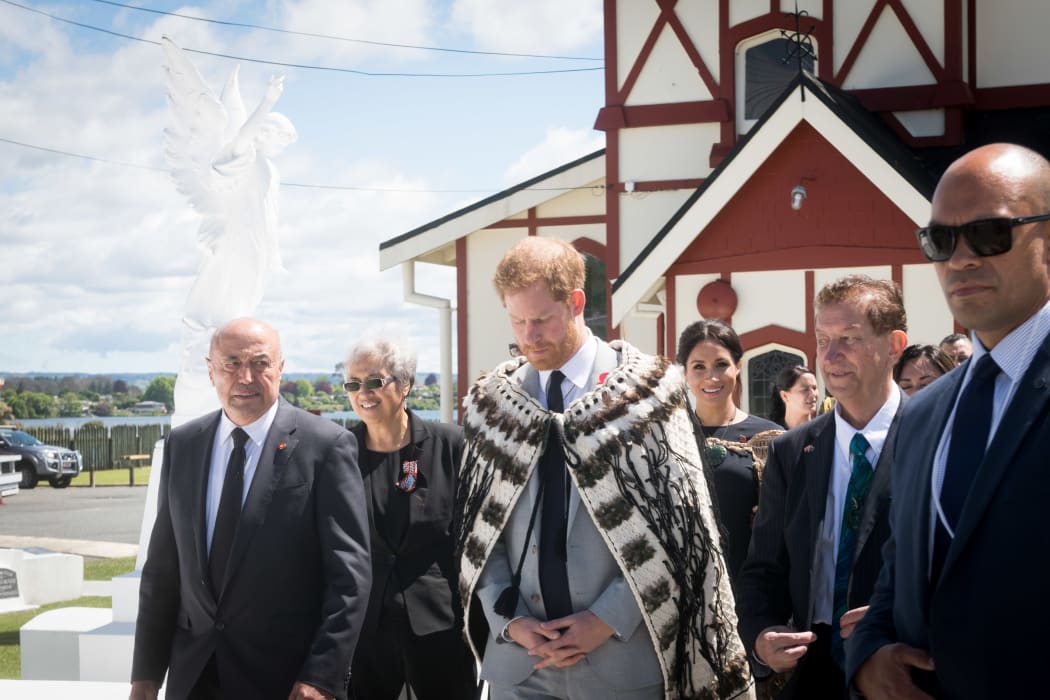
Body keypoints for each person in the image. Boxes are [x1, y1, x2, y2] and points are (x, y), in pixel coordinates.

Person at [455, 237, 753, 700]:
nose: (529, 336)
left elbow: (686, 532)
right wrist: (507, 620)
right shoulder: (493, 404)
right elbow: (479, 530)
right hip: (519, 670)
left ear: (576, 303)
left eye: (541, 320)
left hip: (624, 663)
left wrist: (609, 618)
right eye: (517, 320)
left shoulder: (649, 394)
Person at [848, 143, 1050, 698]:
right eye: (940, 240)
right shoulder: (924, 412)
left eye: (989, 233)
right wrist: (868, 657)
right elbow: (900, 570)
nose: (960, 259)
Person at [131, 318, 371, 700]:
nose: (245, 377)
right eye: (231, 363)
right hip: (194, 679)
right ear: (211, 371)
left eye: (260, 363)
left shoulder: (325, 447)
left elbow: (350, 579)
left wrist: (322, 677)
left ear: (280, 368)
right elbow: (163, 572)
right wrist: (144, 677)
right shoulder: (183, 445)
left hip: (286, 682)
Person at [736, 275, 909, 699]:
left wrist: (899, 616)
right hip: (811, 672)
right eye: (823, 339)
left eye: (849, 338)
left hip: (901, 671)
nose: (830, 356)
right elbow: (764, 569)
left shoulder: (937, 439)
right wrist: (761, 637)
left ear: (895, 345)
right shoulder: (792, 451)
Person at [343, 330, 476, 699]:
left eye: (374, 381)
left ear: (405, 385)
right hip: (364, 633)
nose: (363, 393)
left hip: (441, 628)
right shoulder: (339, 455)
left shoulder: (452, 445)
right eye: (353, 384)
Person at [676, 319, 782, 581]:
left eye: (721, 364)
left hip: (750, 591)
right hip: (681, 592)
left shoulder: (770, 441)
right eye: (698, 367)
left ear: (738, 366)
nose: (711, 377)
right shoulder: (668, 438)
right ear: (685, 373)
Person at [769, 365, 820, 429]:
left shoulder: (824, 433)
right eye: (805, 390)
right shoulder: (771, 435)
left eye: (814, 388)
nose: (813, 394)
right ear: (784, 396)